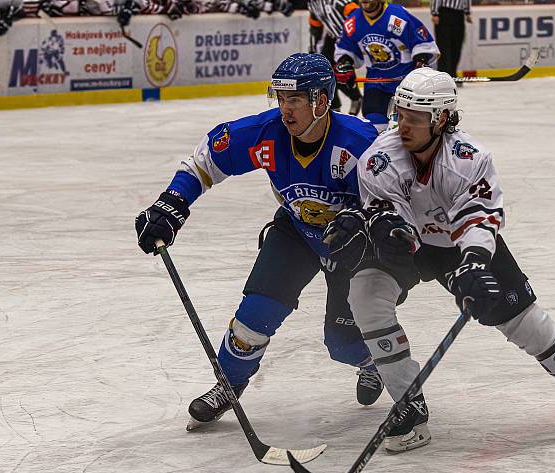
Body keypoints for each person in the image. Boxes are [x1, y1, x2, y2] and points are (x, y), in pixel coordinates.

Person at [324, 68, 555, 452]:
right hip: (406, 244)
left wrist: (472, 263)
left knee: (523, 321)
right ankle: (410, 406)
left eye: (415, 118)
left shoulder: (469, 159)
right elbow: (391, 219)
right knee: (365, 297)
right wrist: (379, 231)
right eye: (400, 114)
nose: (403, 125)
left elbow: (479, 219)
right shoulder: (379, 160)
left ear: (441, 119)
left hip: (458, 245)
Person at [135, 53, 384, 429]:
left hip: (351, 246)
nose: (285, 108)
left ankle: (370, 362)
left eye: (295, 99)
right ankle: (229, 384)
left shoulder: (360, 144)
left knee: (342, 343)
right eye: (281, 98)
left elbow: (391, 205)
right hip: (297, 232)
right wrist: (171, 204)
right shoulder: (266, 134)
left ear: (320, 100)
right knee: (254, 316)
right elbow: (204, 162)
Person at [333, 0, 438, 132]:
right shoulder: (353, 21)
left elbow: (423, 43)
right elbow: (345, 49)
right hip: (376, 82)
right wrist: (346, 63)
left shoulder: (397, 16)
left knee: (410, 126)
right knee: (375, 125)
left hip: (406, 82)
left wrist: (421, 61)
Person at [307, 0, 363, 115]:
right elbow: (315, 27)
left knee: (340, 73)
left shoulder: (338, 2)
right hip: (334, 40)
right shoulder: (312, 4)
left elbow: (360, 17)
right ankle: (334, 106)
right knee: (324, 74)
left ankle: (355, 97)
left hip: (350, 42)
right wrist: (313, 49)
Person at [430, 0, 471, 84]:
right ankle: (444, 75)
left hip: (459, 14)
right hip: (444, 13)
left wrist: (467, 12)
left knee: (457, 46)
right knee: (443, 46)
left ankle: (453, 73)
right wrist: (435, 13)